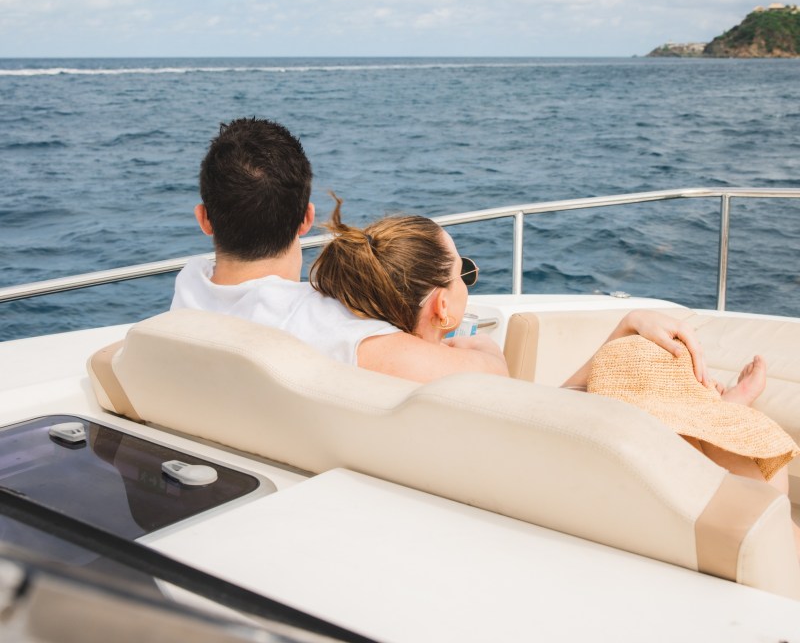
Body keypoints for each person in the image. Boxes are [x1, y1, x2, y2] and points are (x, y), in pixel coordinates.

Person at [310, 195, 800, 546]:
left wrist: (623, 326)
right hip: (582, 507)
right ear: (443, 308)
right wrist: (622, 340)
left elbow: (543, 417)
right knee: (746, 459)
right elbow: (549, 425)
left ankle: (708, 411)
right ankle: (717, 415)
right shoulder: (471, 370)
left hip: (524, 484)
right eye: (465, 273)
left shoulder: (368, 373)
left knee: (624, 358)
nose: (468, 282)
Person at [172, 117, 709, 384]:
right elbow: (503, 399)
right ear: (307, 218)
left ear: (203, 220)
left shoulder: (185, 299)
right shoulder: (330, 329)